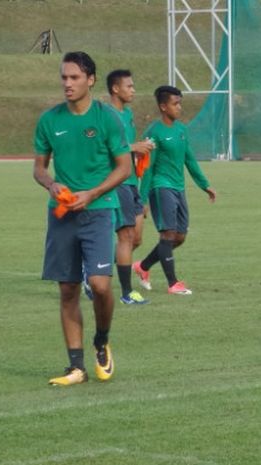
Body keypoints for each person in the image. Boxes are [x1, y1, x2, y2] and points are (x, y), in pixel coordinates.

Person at [33, 51, 132, 385]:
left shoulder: (107, 119)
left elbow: (124, 167)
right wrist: (51, 183)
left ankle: (102, 340)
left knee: (101, 285)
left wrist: (92, 193)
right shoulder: (50, 120)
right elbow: (39, 168)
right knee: (67, 290)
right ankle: (76, 366)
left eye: (74, 77)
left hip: (99, 212)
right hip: (62, 216)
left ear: (90, 80)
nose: (67, 83)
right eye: (63, 77)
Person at [133, 85, 216, 295]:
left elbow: (189, 159)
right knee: (168, 234)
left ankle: (142, 267)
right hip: (161, 188)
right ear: (163, 106)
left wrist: (204, 184)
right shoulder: (153, 132)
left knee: (179, 237)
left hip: (179, 188)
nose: (179, 108)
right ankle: (173, 283)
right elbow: (147, 168)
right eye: (175, 104)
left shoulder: (181, 130)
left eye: (180, 103)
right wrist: (142, 200)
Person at [105, 69, 155, 305]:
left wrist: (141, 148)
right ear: (116, 89)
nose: (133, 90)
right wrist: (133, 147)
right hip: (118, 182)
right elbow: (103, 149)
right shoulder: (106, 115)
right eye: (129, 86)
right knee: (125, 236)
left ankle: (90, 268)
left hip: (132, 181)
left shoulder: (128, 114)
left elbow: (126, 146)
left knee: (136, 239)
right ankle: (127, 293)